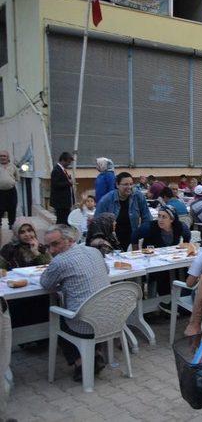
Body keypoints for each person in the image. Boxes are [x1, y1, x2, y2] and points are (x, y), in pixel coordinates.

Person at [40, 225, 110, 381]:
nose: (51, 250)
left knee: (60, 318)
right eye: (47, 246)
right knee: (89, 307)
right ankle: (96, 354)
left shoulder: (60, 261)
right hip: (111, 317)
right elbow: (107, 271)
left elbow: (45, 283)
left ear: (70, 240)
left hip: (85, 323)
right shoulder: (94, 251)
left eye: (55, 244)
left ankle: (80, 363)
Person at [95, 171, 152, 251]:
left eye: (131, 184)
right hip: (112, 241)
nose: (129, 187)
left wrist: (142, 236)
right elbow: (97, 223)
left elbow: (147, 218)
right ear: (117, 185)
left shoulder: (138, 196)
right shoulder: (106, 200)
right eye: (125, 184)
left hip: (133, 239)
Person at [50, 152, 75, 225]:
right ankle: (59, 234)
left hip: (65, 202)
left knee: (65, 219)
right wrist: (68, 183)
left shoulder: (62, 170)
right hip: (61, 203)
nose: (69, 164)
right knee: (61, 220)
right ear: (63, 160)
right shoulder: (56, 170)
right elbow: (56, 184)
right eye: (68, 162)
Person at [0, 150, 20, 230]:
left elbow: (17, 178)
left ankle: (12, 225)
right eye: (1, 156)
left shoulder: (13, 166)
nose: (2, 157)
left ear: (8, 158)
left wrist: (10, 182)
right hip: (0, 192)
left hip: (11, 191)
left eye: (4, 156)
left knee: (12, 208)